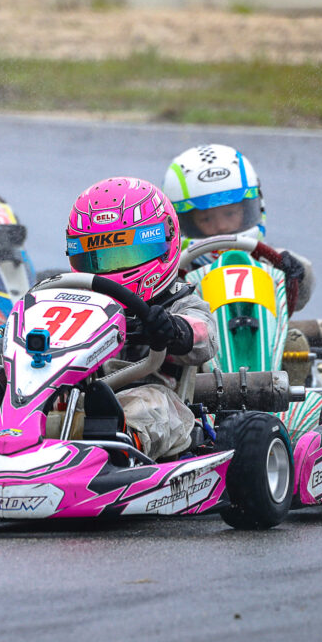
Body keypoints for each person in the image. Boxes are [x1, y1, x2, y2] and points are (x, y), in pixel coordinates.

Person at [65, 177, 220, 461]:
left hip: (155, 401)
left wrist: (174, 329)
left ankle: (118, 447)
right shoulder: (73, 300)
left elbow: (204, 336)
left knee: (150, 405)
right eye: (101, 258)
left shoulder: (179, 301)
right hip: (73, 400)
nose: (115, 269)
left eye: (128, 253)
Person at [161, 143, 315, 312]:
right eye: (206, 219)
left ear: (248, 209)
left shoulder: (268, 261)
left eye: (230, 214)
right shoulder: (174, 274)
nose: (221, 226)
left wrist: (296, 274)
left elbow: (301, 298)